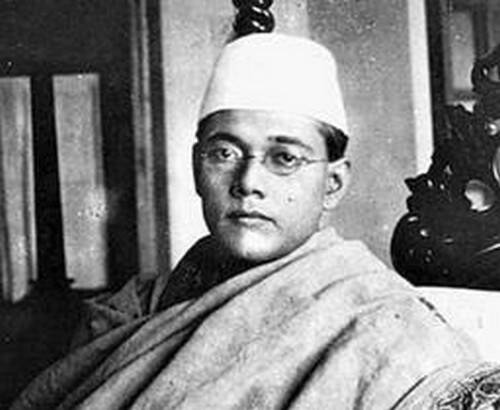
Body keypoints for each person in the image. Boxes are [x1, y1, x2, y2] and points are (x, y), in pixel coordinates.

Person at [10, 33, 500, 410]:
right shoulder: (138, 308)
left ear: (333, 184)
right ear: (196, 168)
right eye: (224, 153)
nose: (248, 182)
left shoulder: (383, 326)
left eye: (284, 158)